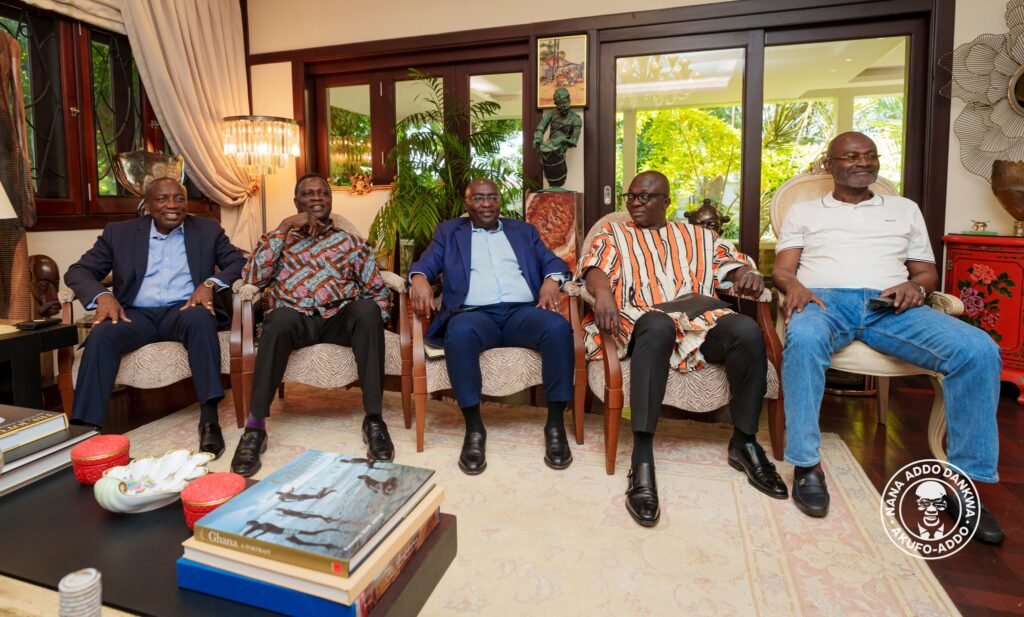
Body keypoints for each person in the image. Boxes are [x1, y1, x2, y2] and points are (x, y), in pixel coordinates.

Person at [772, 131, 1004, 544]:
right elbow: (784, 270)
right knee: (803, 340)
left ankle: (965, 484)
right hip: (824, 303)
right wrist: (794, 287)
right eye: (851, 156)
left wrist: (916, 287)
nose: (863, 162)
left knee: (978, 350)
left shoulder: (904, 209)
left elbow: (926, 272)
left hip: (891, 305)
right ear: (831, 165)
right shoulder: (805, 212)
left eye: (870, 156)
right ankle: (807, 465)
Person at [577, 170, 786, 528]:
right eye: (631, 196)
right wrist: (603, 292)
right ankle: (642, 457)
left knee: (747, 330)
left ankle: (745, 442)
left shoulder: (698, 236)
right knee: (657, 324)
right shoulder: (614, 233)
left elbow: (730, 265)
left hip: (699, 320)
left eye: (645, 197)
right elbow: (594, 267)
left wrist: (744, 276)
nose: (635, 203)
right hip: (644, 318)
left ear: (666, 202)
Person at [64, 178, 245, 458]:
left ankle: (209, 420)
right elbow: (78, 271)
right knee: (102, 334)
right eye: (162, 199)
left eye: (179, 198)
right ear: (148, 205)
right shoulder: (119, 233)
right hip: (136, 314)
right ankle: (86, 430)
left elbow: (237, 262)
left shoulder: (207, 230)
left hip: (183, 309)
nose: (172, 205)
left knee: (200, 320)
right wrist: (102, 296)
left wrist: (209, 284)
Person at [409, 178, 574, 475]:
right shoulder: (449, 232)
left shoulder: (524, 231)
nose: (486, 203)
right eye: (478, 198)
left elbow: (555, 263)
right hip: (474, 315)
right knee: (458, 333)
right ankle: (474, 429)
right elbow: (426, 263)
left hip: (521, 313)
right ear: (467, 203)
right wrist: (419, 278)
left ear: (500, 201)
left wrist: (551, 281)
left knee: (558, 329)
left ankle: (555, 425)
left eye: (492, 197)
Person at [231, 173, 392, 477]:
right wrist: (282, 229)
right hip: (295, 318)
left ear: (330, 200)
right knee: (277, 320)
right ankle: (255, 429)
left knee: (368, 310)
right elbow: (252, 279)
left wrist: (373, 321)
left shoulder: (351, 243)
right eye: (308, 194)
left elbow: (376, 291)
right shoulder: (277, 238)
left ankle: (374, 420)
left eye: (322, 193)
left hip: (338, 319)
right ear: (296, 202)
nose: (316, 198)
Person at [532, 87, 582, 188]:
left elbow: (574, 140)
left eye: (564, 102)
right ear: (555, 104)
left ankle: (558, 182)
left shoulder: (575, 119)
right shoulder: (551, 113)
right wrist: (538, 138)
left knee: (558, 173)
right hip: (550, 145)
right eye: (559, 104)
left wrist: (562, 139)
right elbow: (541, 126)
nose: (562, 106)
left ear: (569, 100)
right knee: (548, 166)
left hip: (560, 148)